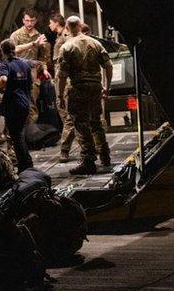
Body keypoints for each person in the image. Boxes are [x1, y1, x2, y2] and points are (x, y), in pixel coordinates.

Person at [57, 16, 114, 175]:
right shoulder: (95, 43)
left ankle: (88, 160)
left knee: (81, 124)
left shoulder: (67, 47)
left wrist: (60, 96)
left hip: (78, 89)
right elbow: (108, 67)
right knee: (96, 121)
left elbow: (62, 75)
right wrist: (106, 87)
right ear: (81, 26)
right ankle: (105, 155)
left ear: (67, 28)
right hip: (95, 88)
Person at [0, 39, 36, 171]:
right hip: (25, 103)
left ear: (3, 51)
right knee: (20, 134)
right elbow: (30, 83)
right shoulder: (25, 64)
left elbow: (3, 79)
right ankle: (26, 163)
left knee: (16, 136)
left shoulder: (5, 64)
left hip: (13, 104)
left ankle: (25, 165)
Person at [9, 11, 51, 123]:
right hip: (18, 72)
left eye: (32, 21)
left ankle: (31, 132)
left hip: (33, 73)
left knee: (32, 102)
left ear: (35, 21)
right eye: (27, 20)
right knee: (17, 101)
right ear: (23, 20)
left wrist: (45, 69)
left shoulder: (39, 36)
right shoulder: (16, 35)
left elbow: (43, 57)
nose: (29, 23)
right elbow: (13, 50)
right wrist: (33, 44)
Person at [49, 14, 76, 162]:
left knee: (67, 114)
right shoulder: (61, 36)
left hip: (64, 79)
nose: (49, 26)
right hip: (61, 76)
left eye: (50, 23)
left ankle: (65, 149)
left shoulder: (65, 36)